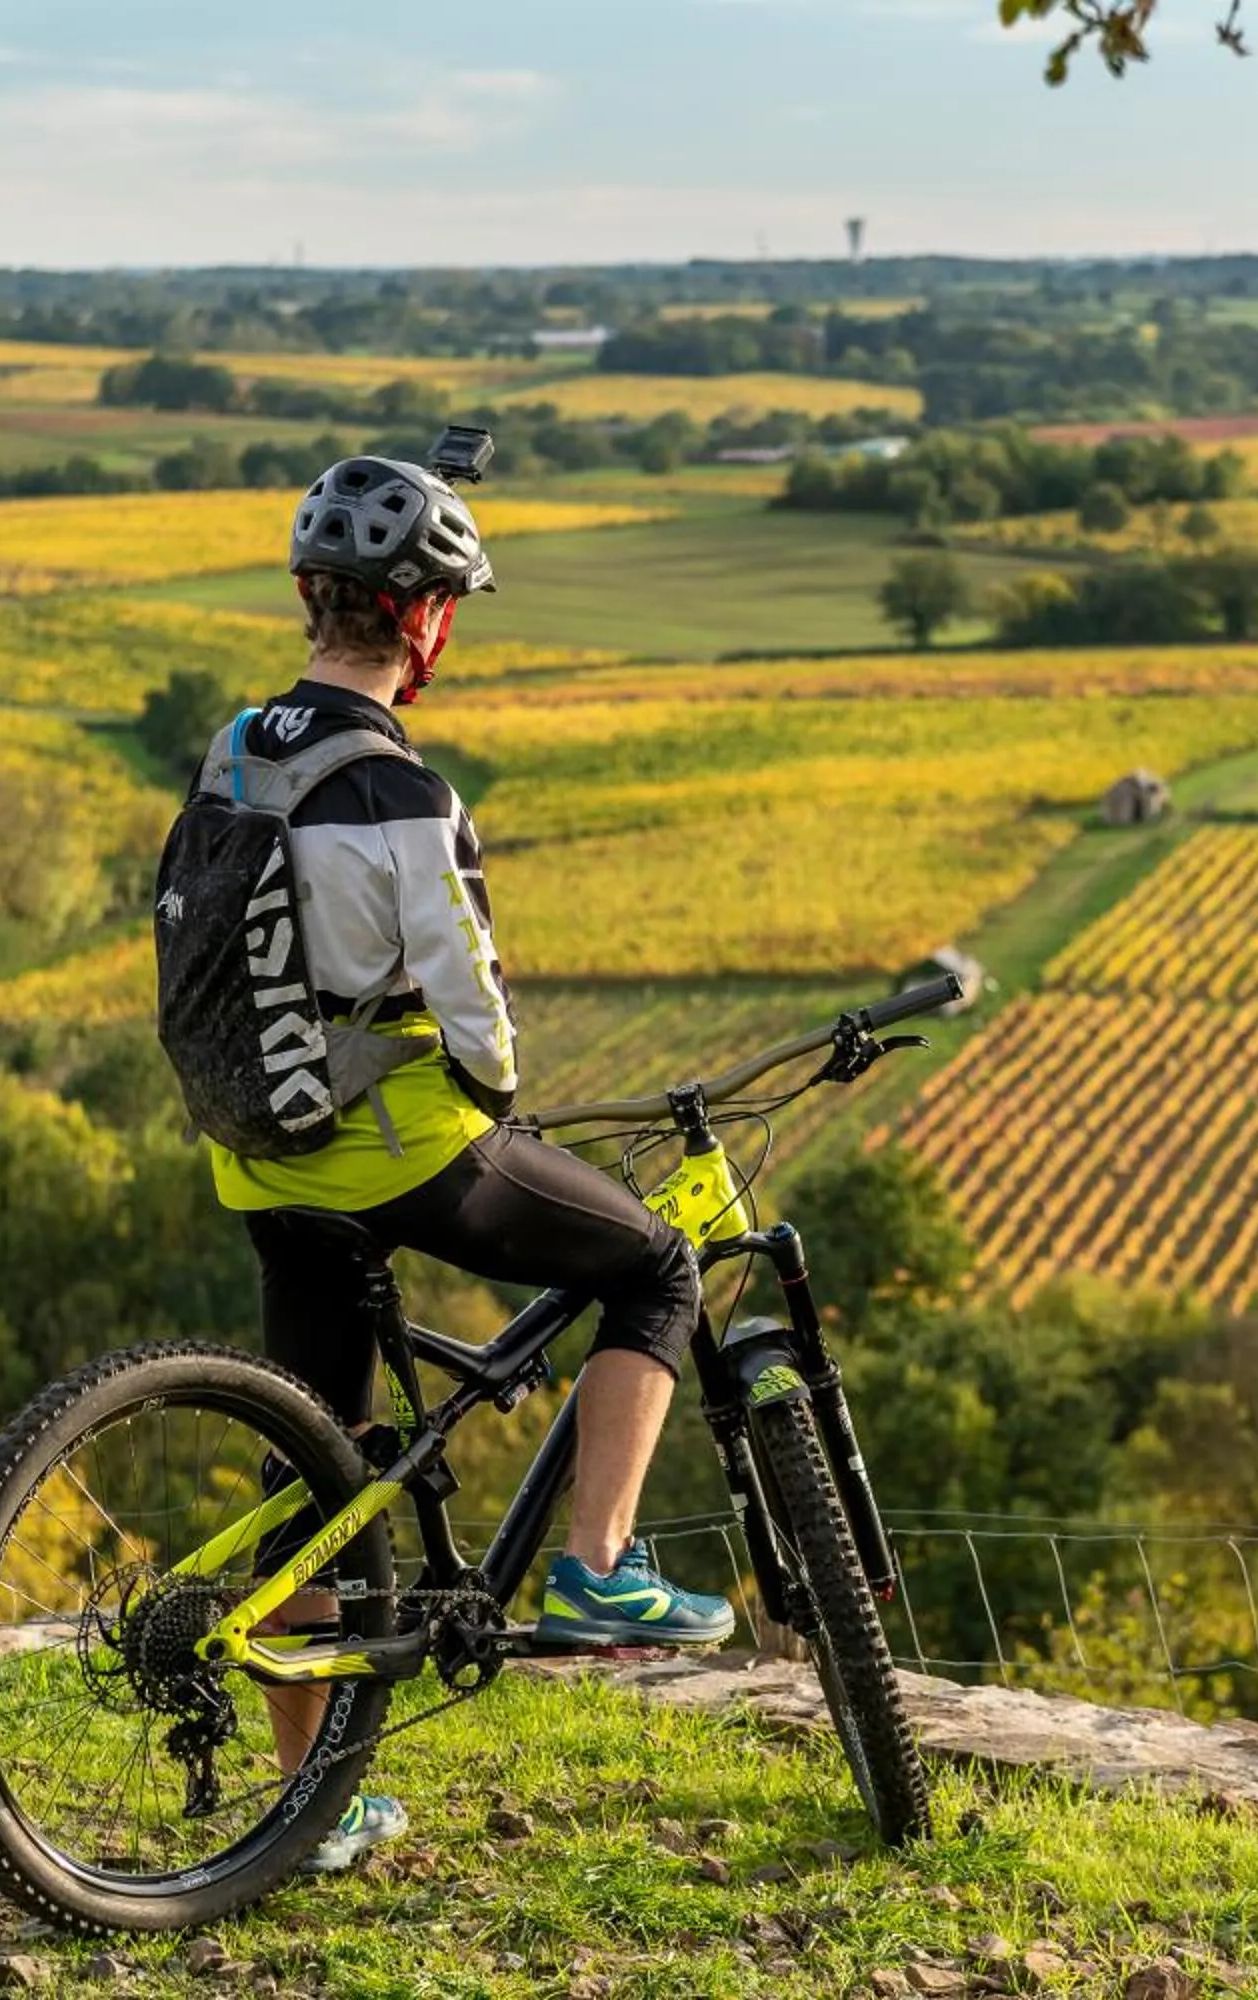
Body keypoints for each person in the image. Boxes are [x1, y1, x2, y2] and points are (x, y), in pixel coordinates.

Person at [206, 452, 735, 1873]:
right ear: (425, 620)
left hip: (263, 1160)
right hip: (400, 1156)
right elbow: (472, 1006)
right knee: (656, 1265)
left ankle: (310, 1806)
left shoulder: (239, 748)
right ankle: (600, 1570)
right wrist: (500, 1099)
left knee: (326, 1470)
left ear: (317, 602)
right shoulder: (400, 787)